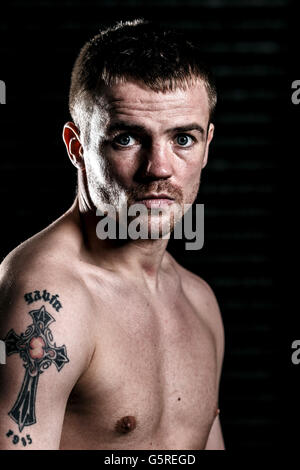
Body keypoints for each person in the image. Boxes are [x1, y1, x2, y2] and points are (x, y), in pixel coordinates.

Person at [0, 18, 225, 450]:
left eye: (183, 138)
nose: (159, 167)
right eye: (126, 138)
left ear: (207, 145)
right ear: (76, 146)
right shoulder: (49, 300)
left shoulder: (199, 301)